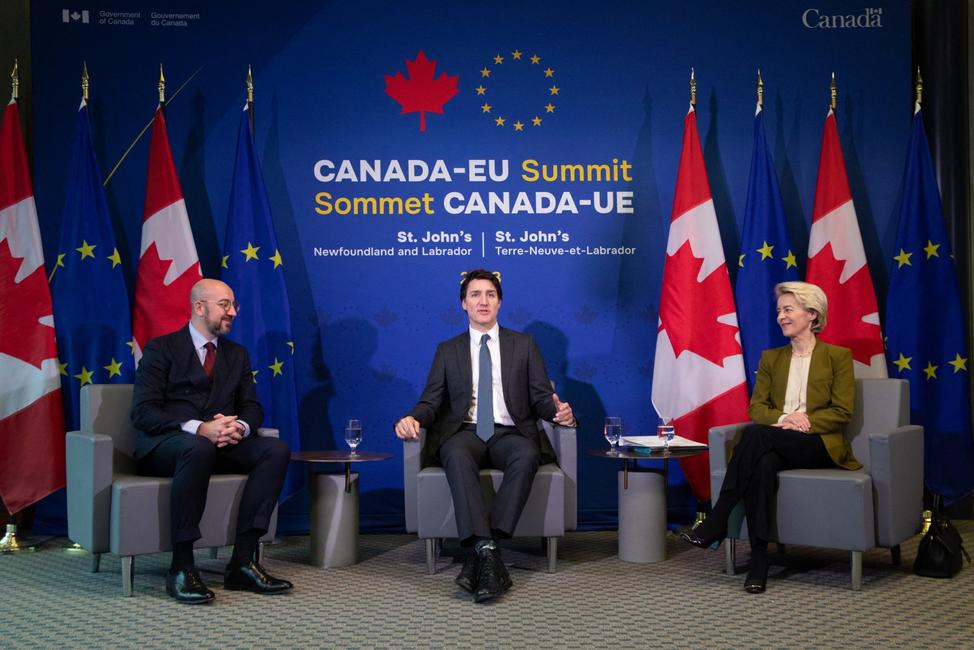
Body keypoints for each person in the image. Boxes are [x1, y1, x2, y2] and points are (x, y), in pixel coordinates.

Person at [394, 269, 576, 603]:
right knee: (455, 453)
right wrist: (410, 418)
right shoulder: (448, 350)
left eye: (490, 294)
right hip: (465, 432)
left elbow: (540, 398)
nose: (483, 301)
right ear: (463, 304)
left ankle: (482, 551)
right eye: (475, 294)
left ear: (500, 302)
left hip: (510, 431)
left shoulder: (523, 345)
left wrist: (559, 413)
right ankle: (489, 554)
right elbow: (431, 401)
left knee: (527, 454)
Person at [680, 281, 861, 593]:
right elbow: (757, 408)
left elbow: (842, 412)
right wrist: (784, 418)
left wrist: (804, 421)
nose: (781, 317)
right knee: (762, 461)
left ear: (812, 314)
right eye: (779, 310)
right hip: (776, 437)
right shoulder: (771, 358)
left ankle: (718, 517)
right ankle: (760, 560)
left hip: (818, 443)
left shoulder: (837, 357)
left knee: (755, 438)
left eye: (788, 309)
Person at [131, 278, 293, 604]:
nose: (232, 312)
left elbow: (252, 407)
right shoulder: (161, 349)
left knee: (275, 450)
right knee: (198, 447)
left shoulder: (237, 355)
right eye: (224, 305)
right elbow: (143, 413)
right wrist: (200, 428)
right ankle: (181, 567)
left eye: (234, 305)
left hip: (217, 444)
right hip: (169, 446)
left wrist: (241, 428)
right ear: (199, 307)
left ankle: (243, 563)